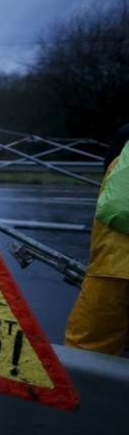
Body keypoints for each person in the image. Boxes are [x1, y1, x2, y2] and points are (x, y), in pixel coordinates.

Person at [65, 141, 129, 355]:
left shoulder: (120, 163)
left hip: (112, 269)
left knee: (87, 354)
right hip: (113, 269)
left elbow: (111, 210)